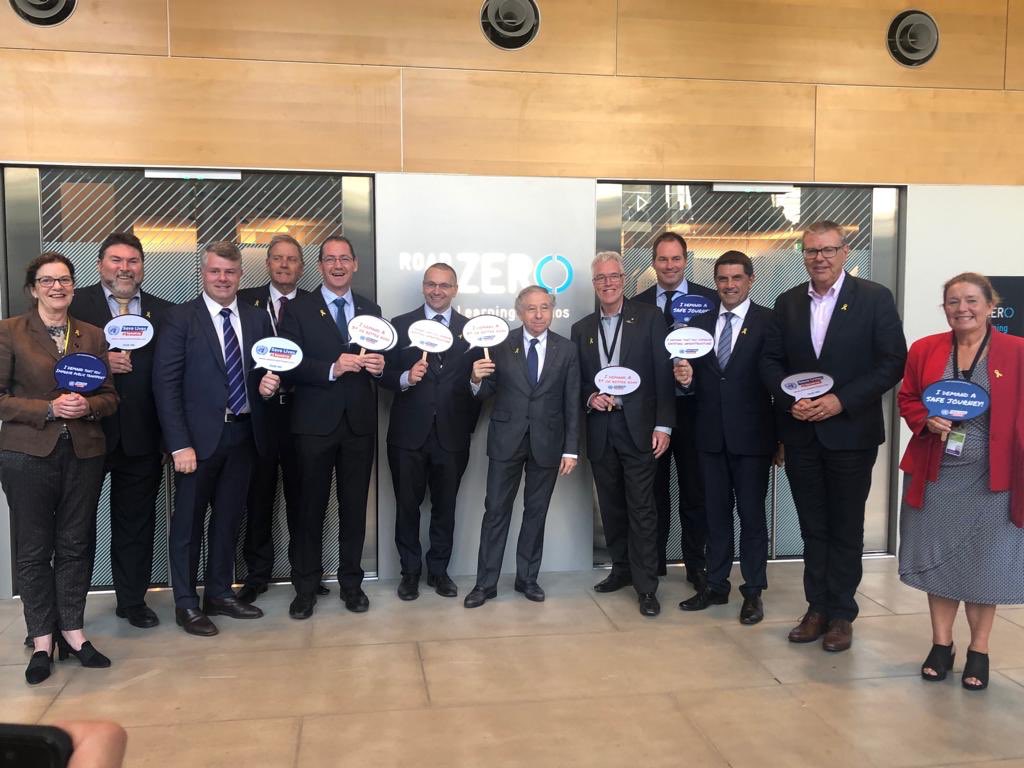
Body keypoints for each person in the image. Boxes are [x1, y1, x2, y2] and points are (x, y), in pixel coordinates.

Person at [761, 220, 907, 652]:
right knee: (813, 526)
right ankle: (816, 609)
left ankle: (842, 613)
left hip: (851, 433)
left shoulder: (874, 298)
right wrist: (789, 400)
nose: (819, 258)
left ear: (845, 252)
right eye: (811, 251)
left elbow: (892, 362)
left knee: (845, 526)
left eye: (828, 250)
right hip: (802, 432)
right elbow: (770, 361)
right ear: (803, 255)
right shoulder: (787, 302)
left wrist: (841, 401)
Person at [897, 272, 1024, 691]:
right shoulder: (925, 349)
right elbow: (907, 398)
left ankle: (979, 650)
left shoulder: (1017, 351)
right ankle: (941, 644)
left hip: (995, 479)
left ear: (991, 306)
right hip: (937, 472)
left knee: (985, 563)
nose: (962, 309)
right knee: (939, 558)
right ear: (944, 308)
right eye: (953, 301)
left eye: (971, 300)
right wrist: (924, 419)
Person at [0, 253, 118, 684]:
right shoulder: (9, 331)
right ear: (33, 288)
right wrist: (48, 409)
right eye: (48, 280)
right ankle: (41, 640)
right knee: (34, 549)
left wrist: (89, 406)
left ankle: (73, 632)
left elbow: (110, 396)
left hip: (84, 452)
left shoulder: (92, 334)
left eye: (64, 280)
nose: (57, 287)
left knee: (75, 544)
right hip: (27, 454)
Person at [153, 242, 280, 636]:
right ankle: (186, 603)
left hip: (243, 434)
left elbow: (263, 372)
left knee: (228, 520)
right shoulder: (180, 318)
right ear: (203, 274)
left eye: (230, 272)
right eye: (215, 271)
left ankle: (220, 593)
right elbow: (166, 385)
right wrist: (179, 444)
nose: (222, 278)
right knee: (188, 525)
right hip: (196, 442)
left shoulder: (257, 319)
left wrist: (269, 387)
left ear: (240, 275)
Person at [69, 232, 173, 630]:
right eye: (116, 260)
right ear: (100, 265)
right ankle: (68, 611)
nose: (124, 268)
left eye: (132, 261)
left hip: (143, 437)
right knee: (76, 528)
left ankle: (132, 602)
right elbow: (53, 363)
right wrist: (100, 365)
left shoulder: (164, 312)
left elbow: (171, 379)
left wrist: (169, 437)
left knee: (136, 524)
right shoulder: (74, 306)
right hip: (87, 433)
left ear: (142, 267)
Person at [277, 235, 384, 619]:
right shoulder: (298, 308)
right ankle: (305, 588)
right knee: (310, 509)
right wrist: (331, 368)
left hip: (358, 425)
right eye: (330, 259)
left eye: (344, 259)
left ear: (355, 264)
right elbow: (288, 363)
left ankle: (352, 585)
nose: (338, 266)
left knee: (354, 510)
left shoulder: (371, 309)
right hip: (313, 425)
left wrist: (380, 366)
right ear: (320, 266)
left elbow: (381, 359)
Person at [673, 251, 776, 624]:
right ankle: (716, 585)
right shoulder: (698, 325)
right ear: (715, 282)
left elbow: (777, 382)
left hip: (753, 439)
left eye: (736, 278)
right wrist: (686, 380)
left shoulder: (769, 322)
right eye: (722, 279)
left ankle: (753, 592)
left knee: (752, 517)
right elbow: (697, 381)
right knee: (714, 516)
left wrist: (781, 438)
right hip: (709, 438)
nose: (729, 285)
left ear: (750, 280)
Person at [464, 285, 580, 607]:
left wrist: (570, 449)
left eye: (545, 307)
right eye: (531, 308)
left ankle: (527, 579)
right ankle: (485, 584)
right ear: (519, 312)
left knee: (536, 513)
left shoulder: (567, 350)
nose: (539, 314)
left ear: (552, 310)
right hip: (506, 441)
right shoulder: (500, 345)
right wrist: (475, 379)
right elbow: (485, 392)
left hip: (548, 442)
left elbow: (572, 401)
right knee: (495, 512)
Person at [572, 251, 674, 616]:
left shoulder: (649, 318)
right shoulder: (582, 328)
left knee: (642, 508)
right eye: (601, 278)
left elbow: (663, 373)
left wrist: (663, 425)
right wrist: (590, 397)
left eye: (613, 276)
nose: (608, 283)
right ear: (594, 283)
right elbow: (578, 380)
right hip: (601, 427)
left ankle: (646, 587)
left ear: (624, 279)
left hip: (640, 429)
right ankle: (621, 569)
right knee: (611, 506)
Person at [234, 234, 328, 603]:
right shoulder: (245, 301)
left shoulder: (315, 305)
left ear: (302, 267)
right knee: (257, 498)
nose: (284, 264)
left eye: (292, 259)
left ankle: (306, 573)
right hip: (259, 415)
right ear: (267, 263)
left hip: (303, 415)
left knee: (303, 499)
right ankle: (257, 575)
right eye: (277, 258)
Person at [380, 263, 482, 600]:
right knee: (406, 507)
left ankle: (439, 572)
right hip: (407, 435)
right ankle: (409, 573)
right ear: (423, 286)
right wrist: (405, 377)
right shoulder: (399, 325)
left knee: (445, 507)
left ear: (455, 289)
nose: (437, 291)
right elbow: (381, 374)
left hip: (452, 434)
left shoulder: (472, 331)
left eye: (444, 285)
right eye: (431, 284)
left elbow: (484, 384)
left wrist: (476, 380)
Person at [633, 231, 718, 590]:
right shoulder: (637, 305)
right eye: (663, 259)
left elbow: (719, 356)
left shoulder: (710, 301)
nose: (669, 265)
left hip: (697, 411)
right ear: (653, 262)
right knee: (652, 492)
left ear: (686, 260)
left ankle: (696, 565)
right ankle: (651, 566)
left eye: (676, 258)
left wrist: (694, 374)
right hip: (652, 414)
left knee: (695, 492)